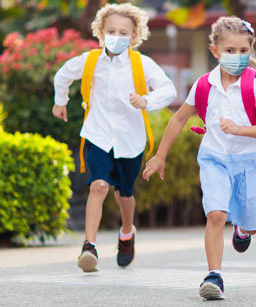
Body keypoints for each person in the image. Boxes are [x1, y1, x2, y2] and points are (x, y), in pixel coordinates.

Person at [141, 16, 256, 300]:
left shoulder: (254, 85)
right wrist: (160, 156)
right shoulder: (204, 85)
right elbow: (179, 119)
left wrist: (240, 129)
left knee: (251, 223)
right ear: (215, 51)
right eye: (230, 51)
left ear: (251, 50)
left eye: (243, 51)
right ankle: (214, 276)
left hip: (250, 161)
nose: (237, 57)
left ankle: (242, 231)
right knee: (216, 213)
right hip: (214, 158)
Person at [52, 3, 176, 272]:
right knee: (98, 185)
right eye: (111, 31)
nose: (117, 36)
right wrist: (59, 102)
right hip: (97, 134)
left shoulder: (141, 64)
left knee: (124, 195)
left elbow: (168, 88)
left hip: (130, 140)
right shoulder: (90, 60)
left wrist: (146, 100)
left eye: (123, 32)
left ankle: (127, 233)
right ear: (101, 32)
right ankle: (89, 246)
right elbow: (63, 75)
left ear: (134, 37)